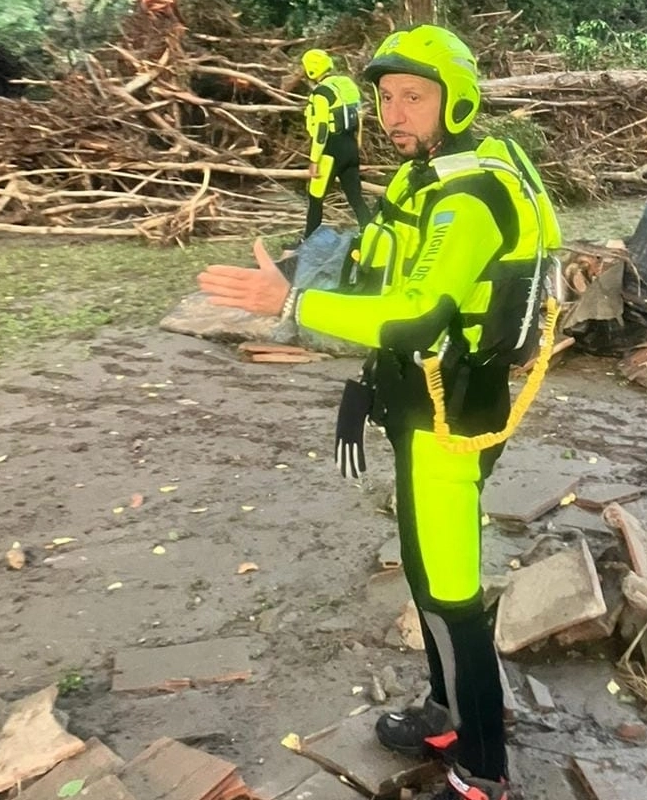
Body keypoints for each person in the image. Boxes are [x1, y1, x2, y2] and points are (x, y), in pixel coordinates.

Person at [198, 25, 562, 800]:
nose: (396, 113)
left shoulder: (469, 197)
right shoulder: (420, 179)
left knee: (451, 586)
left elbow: (410, 315)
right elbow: (374, 269)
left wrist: (291, 302)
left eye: (415, 98)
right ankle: (443, 711)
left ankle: (482, 768)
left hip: (450, 410)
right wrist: (309, 269)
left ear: (455, 103)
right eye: (388, 98)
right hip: (413, 398)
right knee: (425, 567)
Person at [301, 48, 370, 238]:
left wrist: (314, 159)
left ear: (311, 70)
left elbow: (322, 129)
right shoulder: (346, 84)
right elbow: (359, 115)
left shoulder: (321, 93)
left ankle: (308, 242)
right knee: (355, 197)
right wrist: (357, 143)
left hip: (330, 149)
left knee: (315, 198)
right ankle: (371, 233)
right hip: (350, 146)